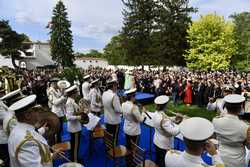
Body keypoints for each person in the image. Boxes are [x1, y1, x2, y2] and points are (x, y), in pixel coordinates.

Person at [8, 95, 60, 167]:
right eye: (36, 110)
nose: (40, 112)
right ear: (27, 115)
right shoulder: (27, 142)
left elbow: (36, 154)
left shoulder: (20, 129)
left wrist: (51, 156)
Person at [213, 94, 249, 167]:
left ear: (226, 107)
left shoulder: (216, 121)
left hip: (220, 156)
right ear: (240, 108)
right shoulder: (245, 127)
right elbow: (249, 146)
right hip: (237, 160)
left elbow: (214, 136)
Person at [152, 95, 182, 167]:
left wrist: (175, 118)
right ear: (165, 105)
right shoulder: (163, 118)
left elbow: (167, 119)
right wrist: (183, 124)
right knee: (163, 163)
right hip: (164, 145)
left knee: (158, 161)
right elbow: (174, 132)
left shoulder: (156, 113)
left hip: (157, 141)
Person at [65, 85, 82, 163]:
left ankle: (75, 158)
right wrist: (79, 117)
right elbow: (68, 117)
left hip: (75, 127)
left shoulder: (72, 101)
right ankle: (75, 161)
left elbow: (75, 111)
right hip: (74, 128)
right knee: (75, 146)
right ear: (72, 94)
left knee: (76, 145)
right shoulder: (69, 103)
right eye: (76, 92)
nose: (77, 94)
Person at [102, 79, 122, 145]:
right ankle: (113, 150)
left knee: (109, 135)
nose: (116, 87)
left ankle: (108, 147)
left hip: (107, 118)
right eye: (116, 86)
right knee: (114, 138)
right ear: (113, 86)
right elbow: (118, 110)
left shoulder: (104, 93)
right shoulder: (114, 96)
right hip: (114, 121)